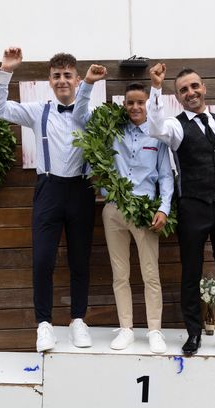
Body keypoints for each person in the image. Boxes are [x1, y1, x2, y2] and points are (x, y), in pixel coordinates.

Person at [0, 47, 96, 352]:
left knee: (80, 260)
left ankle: (78, 320)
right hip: (48, 189)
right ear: (50, 81)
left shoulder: (89, 114)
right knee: (43, 260)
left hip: (82, 190)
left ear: (77, 80)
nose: (62, 80)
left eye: (67, 75)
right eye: (56, 76)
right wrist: (6, 70)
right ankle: (44, 325)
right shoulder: (38, 111)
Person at [147, 63, 215, 357]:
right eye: (183, 90)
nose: (190, 92)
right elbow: (154, 127)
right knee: (190, 273)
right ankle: (193, 333)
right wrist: (156, 87)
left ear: (203, 88)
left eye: (194, 86)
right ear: (178, 97)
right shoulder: (175, 125)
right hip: (193, 206)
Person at [75, 65, 174, 354]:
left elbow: (166, 176)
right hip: (114, 210)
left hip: (145, 212)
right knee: (120, 273)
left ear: (147, 104)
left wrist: (164, 208)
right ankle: (127, 328)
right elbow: (82, 118)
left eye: (140, 102)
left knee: (150, 273)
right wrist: (89, 85)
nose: (134, 107)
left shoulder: (157, 134)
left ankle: (155, 330)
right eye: (129, 103)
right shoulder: (111, 131)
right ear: (123, 104)